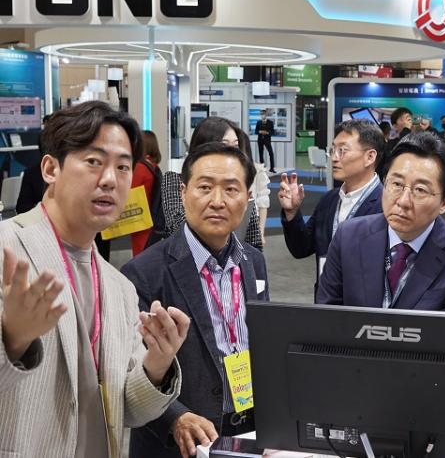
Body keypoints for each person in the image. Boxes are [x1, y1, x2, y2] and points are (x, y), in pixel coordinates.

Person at [0, 101, 190, 457]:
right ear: (50, 168)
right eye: (93, 161)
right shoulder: (6, 249)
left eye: (123, 167)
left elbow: (127, 410)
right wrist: (12, 340)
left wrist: (158, 363)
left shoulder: (120, 288)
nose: (110, 179)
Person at [124, 142, 269, 458]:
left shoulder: (253, 261)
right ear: (183, 192)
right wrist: (176, 417)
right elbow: (131, 371)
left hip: (248, 431)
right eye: (205, 187)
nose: (217, 201)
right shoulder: (144, 273)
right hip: (181, 442)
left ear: (247, 197)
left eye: (231, 189)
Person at [317, 132, 445, 311]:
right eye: (397, 184)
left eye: (420, 190)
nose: (403, 201)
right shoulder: (348, 236)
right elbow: (327, 315)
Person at [279, 120, 384, 297]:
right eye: (333, 150)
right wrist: (292, 212)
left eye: (342, 150)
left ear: (370, 157)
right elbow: (301, 248)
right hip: (325, 300)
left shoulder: (386, 205)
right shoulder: (329, 200)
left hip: (364, 305)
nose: (334, 157)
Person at [161, 118, 264, 251]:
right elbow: (176, 225)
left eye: (235, 146)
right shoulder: (174, 180)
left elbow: (254, 240)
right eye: (205, 187)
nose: (217, 202)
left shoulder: (239, 184)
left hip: (235, 259)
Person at [131, 130, 162, 256]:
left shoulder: (140, 168)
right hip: (151, 221)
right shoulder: (153, 166)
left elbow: (129, 192)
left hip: (140, 222)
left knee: (140, 257)